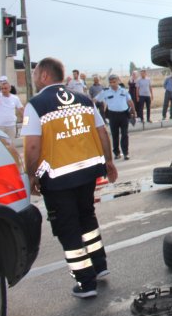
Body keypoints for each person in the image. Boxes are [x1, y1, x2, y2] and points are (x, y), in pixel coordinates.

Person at [20, 57, 117, 299]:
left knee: (68, 228)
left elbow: (32, 147)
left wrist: (31, 176)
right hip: (86, 173)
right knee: (87, 218)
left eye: (34, 74)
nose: (33, 78)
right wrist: (109, 161)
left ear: (44, 76)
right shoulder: (84, 100)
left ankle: (86, 283)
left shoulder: (36, 105)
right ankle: (100, 265)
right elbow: (102, 132)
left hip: (57, 178)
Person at [95, 75, 136, 160]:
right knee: (115, 135)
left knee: (125, 134)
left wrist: (133, 112)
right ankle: (117, 153)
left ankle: (126, 153)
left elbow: (130, 101)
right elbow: (95, 100)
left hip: (124, 115)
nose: (112, 84)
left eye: (114, 82)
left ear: (118, 81)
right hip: (113, 115)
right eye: (110, 82)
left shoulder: (124, 91)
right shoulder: (105, 92)